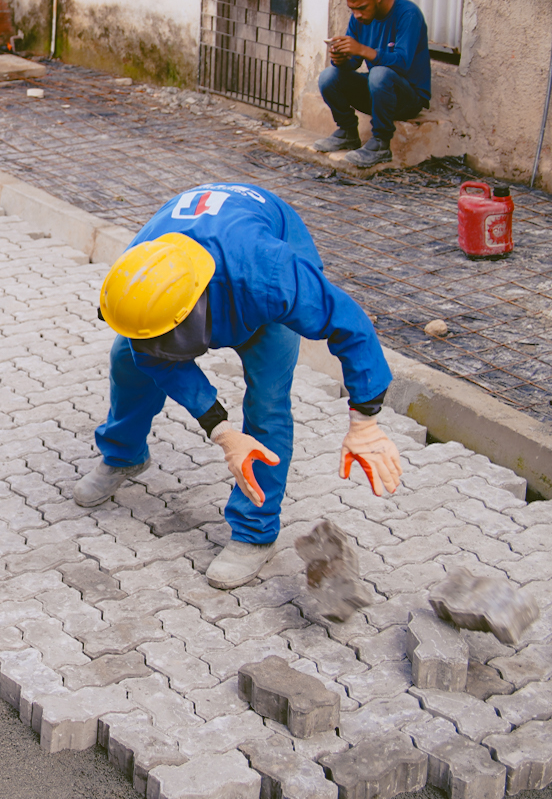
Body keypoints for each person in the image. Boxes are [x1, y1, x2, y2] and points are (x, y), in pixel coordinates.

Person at [71, 183, 404, 591]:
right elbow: (152, 356)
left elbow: (349, 324)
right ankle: (124, 455)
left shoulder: (272, 274)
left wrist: (365, 419)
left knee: (268, 402)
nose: (155, 347)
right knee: (128, 359)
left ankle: (254, 532)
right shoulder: (135, 273)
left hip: (254, 263)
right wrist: (223, 432)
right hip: (203, 258)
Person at [315, 0, 431, 170]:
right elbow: (353, 64)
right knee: (329, 76)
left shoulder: (408, 14)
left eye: (361, 7)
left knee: (379, 73)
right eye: (352, 9)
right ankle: (348, 133)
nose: (357, 15)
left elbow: (402, 62)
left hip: (408, 98)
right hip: (377, 91)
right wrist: (341, 59)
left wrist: (361, 49)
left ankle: (380, 144)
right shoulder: (360, 18)